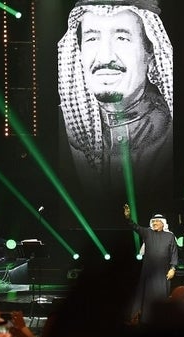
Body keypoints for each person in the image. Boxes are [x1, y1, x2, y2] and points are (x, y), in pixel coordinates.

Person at [58, 0, 174, 222]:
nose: (104, 57)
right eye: (92, 38)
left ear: (150, 53)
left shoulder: (174, 133)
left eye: (122, 38)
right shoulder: (62, 128)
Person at [123, 203, 178, 325]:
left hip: (163, 272)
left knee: (161, 295)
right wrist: (128, 218)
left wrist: (173, 268)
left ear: (163, 223)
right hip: (148, 271)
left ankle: (160, 320)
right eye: (153, 222)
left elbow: (174, 253)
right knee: (146, 296)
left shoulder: (170, 236)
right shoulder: (148, 233)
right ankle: (145, 319)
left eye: (157, 222)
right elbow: (135, 227)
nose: (154, 223)